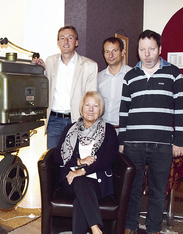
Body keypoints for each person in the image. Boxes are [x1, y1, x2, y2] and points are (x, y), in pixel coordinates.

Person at [118, 30, 183, 234]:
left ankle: (154, 228)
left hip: (162, 144)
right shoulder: (130, 76)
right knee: (133, 190)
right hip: (133, 144)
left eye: (151, 49)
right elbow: (124, 111)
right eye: (142, 49)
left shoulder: (174, 74)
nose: (147, 54)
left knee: (157, 191)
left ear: (160, 49)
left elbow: (181, 110)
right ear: (138, 51)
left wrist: (179, 141)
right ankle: (130, 225)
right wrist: (122, 140)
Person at [54, 91, 119, 234]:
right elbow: (58, 156)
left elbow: (108, 158)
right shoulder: (70, 129)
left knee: (80, 200)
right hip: (71, 180)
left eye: (95, 106)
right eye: (87, 105)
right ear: (82, 108)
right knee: (80, 182)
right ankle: (95, 229)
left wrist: (82, 170)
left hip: (97, 180)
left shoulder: (108, 130)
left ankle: (94, 229)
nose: (91, 109)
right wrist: (78, 161)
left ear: (100, 110)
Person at [33, 25, 98, 149]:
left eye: (70, 38)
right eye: (62, 38)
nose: (66, 42)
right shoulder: (50, 61)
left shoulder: (89, 66)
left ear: (76, 42)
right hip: (54, 121)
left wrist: (87, 124)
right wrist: (39, 69)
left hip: (77, 121)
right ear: (58, 42)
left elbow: (91, 100)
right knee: (52, 162)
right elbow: (44, 86)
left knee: (76, 162)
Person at [97, 37, 131, 129]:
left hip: (124, 130)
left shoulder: (132, 76)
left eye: (114, 51)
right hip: (102, 130)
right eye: (107, 52)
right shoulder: (98, 77)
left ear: (123, 52)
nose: (110, 55)